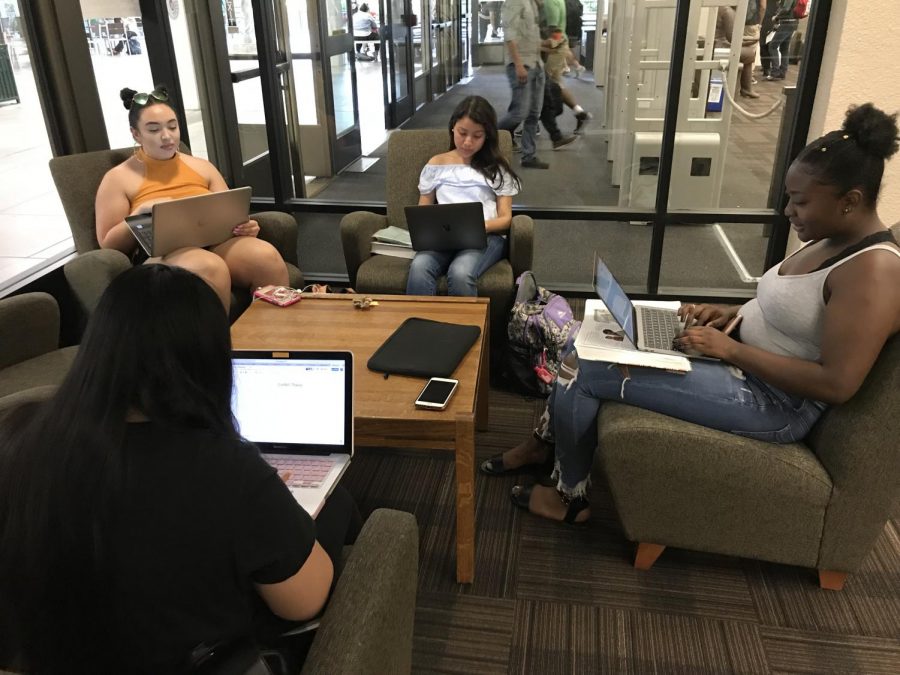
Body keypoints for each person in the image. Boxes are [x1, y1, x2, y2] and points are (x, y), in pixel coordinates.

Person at [483, 103, 900, 525]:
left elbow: (837, 383)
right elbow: (795, 309)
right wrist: (730, 314)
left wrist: (731, 351)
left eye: (800, 202)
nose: (790, 212)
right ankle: (545, 443)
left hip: (771, 402)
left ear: (850, 201)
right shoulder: (833, 238)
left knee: (586, 372)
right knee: (579, 339)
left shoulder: (874, 272)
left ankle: (569, 497)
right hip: (740, 360)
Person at [0, 264, 361, 671]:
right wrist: (277, 507)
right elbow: (302, 604)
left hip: (45, 656)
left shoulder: (18, 438)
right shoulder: (229, 471)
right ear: (208, 361)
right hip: (195, 658)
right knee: (336, 508)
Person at [95, 86, 289, 313]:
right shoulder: (118, 178)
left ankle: (270, 344)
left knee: (266, 258)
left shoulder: (201, 166)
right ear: (136, 134)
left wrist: (247, 226)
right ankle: (217, 348)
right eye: (154, 129)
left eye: (172, 126)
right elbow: (108, 243)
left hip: (216, 242)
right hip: (164, 254)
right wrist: (140, 215)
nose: (167, 136)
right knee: (209, 267)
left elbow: (230, 212)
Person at [406, 96, 521, 296]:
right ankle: (420, 325)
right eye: (462, 133)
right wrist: (430, 231)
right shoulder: (436, 164)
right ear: (453, 128)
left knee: (460, 272)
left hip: (485, 237)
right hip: (443, 238)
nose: (468, 142)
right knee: (419, 267)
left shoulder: (496, 167)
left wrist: (476, 227)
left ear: (487, 136)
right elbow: (422, 210)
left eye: (477, 136)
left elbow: (505, 218)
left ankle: (464, 328)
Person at [498, 0, 549, 169]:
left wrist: (544, 45)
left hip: (536, 63)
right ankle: (485, 136)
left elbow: (528, 34)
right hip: (522, 65)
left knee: (534, 113)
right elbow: (510, 36)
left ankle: (529, 156)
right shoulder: (513, 2)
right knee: (519, 113)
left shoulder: (531, 3)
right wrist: (518, 64)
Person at [767, 0, 800, 80]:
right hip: (792, 23)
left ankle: (775, 72)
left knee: (772, 46)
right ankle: (782, 72)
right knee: (784, 48)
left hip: (786, 23)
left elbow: (786, 8)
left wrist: (776, 16)